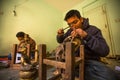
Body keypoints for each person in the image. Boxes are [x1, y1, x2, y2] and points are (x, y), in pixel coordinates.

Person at [56, 9, 118, 80]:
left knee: (112, 76)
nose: (73, 27)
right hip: (72, 61)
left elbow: (105, 51)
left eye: (75, 22)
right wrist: (59, 35)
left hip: (89, 62)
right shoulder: (69, 31)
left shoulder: (93, 30)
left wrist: (86, 36)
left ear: (81, 19)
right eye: (69, 25)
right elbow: (60, 41)